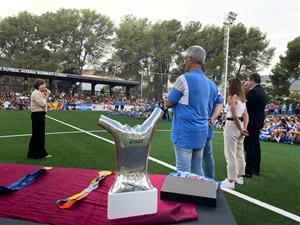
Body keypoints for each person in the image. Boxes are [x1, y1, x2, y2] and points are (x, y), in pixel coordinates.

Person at [165, 45, 210, 176]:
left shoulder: (183, 79)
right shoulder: (207, 82)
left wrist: (167, 100)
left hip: (185, 133)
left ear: (191, 59)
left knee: (183, 173)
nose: (184, 61)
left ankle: (185, 197)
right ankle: (201, 196)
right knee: (197, 169)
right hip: (201, 132)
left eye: (185, 58)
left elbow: (169, 103)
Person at [221, 78, 249, 189]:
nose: (227, 85)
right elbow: (246, 115)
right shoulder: (242, 99)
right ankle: (239, 177)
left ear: (232, 85)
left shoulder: (232, 98)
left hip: (232, 126)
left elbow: (234, 115)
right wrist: (244, 128)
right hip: (240, 126)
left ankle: (231, 180)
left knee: (230, 154)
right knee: (239, 152)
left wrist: (242, 129)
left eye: (228, 83)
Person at [243, 73, 267, 177]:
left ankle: (249, 170)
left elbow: (245, 106)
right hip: (258, 121)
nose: (247, 82)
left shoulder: (252, 92)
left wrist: (245, 91)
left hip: (251, 121)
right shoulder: (262, 91)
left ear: (252, 80)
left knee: (249, 146)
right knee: (256, 145)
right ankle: (256, 169)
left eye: (248, 80)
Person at [202, 79, 223, 179]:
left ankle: (192, 184)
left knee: (193, 158)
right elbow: (219, 103)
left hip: (194, 126)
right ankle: (210, 181)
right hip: (208, 125)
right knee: (207, 156)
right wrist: (213, 118)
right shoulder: (213, 85)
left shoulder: (189, 81)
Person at [28, 79, 52, 159]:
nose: (44, 86)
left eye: (44, 84)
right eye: (42, 84)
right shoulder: (36, 93)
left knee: (38, 135)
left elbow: (43, 105)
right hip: (37, 115)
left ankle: (35, 154)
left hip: (40, 115)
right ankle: (37, 154)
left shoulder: (39, 93)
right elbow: (42, 104)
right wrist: (47, 95)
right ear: (38, 86)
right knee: (38, 135)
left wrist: (44, 115)